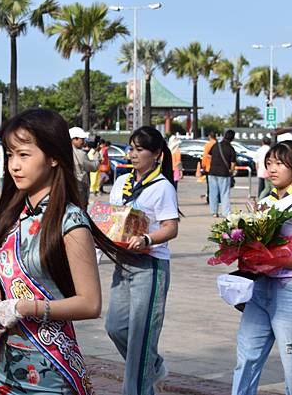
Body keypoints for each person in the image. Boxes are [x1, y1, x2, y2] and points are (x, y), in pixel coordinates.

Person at [0, 108, 135, 395]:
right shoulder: (11, 216)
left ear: (52, 157)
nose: (14, 165)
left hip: (51, 375)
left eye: (24, 155)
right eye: (10, 155)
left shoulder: (70, 221)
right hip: (3, 372)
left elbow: (90, 304)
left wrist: (24, 308)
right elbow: (4, 287)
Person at [231, 140, 292, 395]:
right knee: (246, 356)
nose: (272, 169)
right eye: (269, 163)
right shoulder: (265, 203)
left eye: (280, 163)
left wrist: (278, 260)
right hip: (260, 291)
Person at [106, 126, 179, 395]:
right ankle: (154, 365)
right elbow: (112, 219)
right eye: (131, 148)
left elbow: (171, 227)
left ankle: (138, 387)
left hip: (150, 266)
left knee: (141, 336)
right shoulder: (120, 182)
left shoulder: (162, 188)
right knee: (114, 326)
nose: (132, 154)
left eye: (139, 149)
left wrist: (148, 239)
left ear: (157, 154)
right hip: (123, 262)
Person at [208, 130, 237, 218]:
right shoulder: (231, 149)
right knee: (224, 193)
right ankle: (226, 212)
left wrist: (213, 164)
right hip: (224, 173)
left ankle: (214, 212)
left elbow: (209, 156)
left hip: (212, 172)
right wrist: (231, 171)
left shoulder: (216, 145)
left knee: (213, 193)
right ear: (232, 138)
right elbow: (233, 163)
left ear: (224, 136)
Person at [70, 126, 100, 206]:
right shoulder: (80, 154)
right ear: (74, 139)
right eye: (82, 139)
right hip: (79, 188)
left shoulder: (64, 151)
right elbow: (93, 167)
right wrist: (97, 156)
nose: (84, 142)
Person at [200, 132, 217, 202]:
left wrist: (203, 166)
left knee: (210, 184)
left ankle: (209, 198)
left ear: (210, 136)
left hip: (208, 168)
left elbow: (205, 156)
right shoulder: (218, 144)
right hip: (217, 167)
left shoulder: (207, 145)